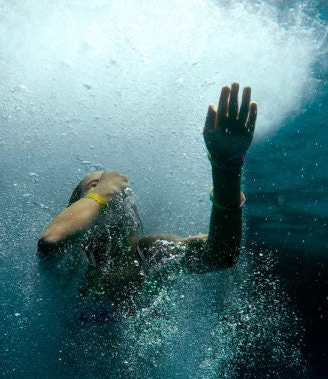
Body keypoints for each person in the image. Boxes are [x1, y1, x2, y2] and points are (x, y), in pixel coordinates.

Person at [37, 82, 258, 309]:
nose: (117, 201)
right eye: (99, 199)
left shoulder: (151, 254)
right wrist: (104, 191)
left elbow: (221, 255)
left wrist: (226, 167)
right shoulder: (75, 264)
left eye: (124, 199)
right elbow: (51, 240)